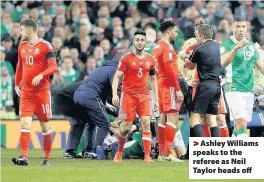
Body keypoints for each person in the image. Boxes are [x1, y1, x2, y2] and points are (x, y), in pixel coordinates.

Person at [12, 19, 58, 166]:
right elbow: (20, 67)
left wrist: (41, 75)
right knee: (25, 123)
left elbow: (53, 67)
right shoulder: (22, 46)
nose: (20, 33)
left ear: (29, 30)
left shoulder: (46, 46)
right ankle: (24, 157)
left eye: (22, 30)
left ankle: (47, 158)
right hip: (26, 92)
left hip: (42, 92)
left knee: (44, 125)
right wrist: (16, 84)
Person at [112, 30, 158, 163]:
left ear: (146, 42)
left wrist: (156, 98)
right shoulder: (126, 58)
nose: (139, 42)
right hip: (129, 96)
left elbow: (153, 79)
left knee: (146, 123)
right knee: (126, 127)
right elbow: (117, 77)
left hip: (144, 95)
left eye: (142, 40)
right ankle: (119, 152)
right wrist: (115, 94)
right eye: (137, 40)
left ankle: (147, 156)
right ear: (133, 42)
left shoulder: (150, 59)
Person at [220, 17, 263, 137]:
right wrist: (236, 47)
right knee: (242, 123)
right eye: (238, 26)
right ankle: (245, 154)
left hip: (249, 90)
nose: (240, 30)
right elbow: (223, 63)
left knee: (239, 126)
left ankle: (233, 152)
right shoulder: (226, 44)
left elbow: (261, 66)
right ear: (232, 27)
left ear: (247, 28)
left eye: (243, 27)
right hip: (233, 89)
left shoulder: (251, 46)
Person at [74, 54, 123, 155]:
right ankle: (96, 150)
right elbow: (116, 91)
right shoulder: (115, 70)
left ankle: (88, 151)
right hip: (90, 95)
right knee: (104, 123)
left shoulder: (102, 68)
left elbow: (104, 94)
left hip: (78, 95)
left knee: (90, 123)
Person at [152, 20, 184, 162]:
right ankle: (168, 153)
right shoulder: (167, 47)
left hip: (160, 84)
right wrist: (177, 89)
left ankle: (162, 154)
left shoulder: (156, 46)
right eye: (175, 31)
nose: (176, 34)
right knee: (173, 116)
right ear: (169, 31)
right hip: (169, 84)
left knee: (163, 118)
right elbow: (170, 70)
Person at [184, 24, 221, 137]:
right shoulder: (218, 46)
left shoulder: (199, 48)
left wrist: (184, 58)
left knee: (194, 118)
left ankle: (200, 149)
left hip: (205, 85)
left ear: (202, 35)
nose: (196, 37)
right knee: (212, 120)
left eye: (196, 35)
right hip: (217, 86)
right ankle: (216, 151)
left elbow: (190, 66)